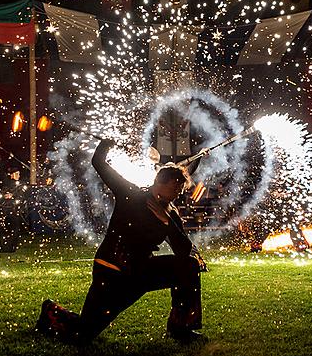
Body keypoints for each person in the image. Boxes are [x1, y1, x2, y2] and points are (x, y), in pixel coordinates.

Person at [36, 138, 206, 343]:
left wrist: (167, 221)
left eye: (179, 190)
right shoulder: (132, 194)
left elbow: (182, 250)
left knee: (188, 265)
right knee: (83, 334)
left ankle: (181, 328)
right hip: (112, 271)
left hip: (140, 271)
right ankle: (50, 312)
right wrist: (108, 144)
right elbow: (99, 163)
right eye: (173, 188)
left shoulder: (171, 213)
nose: (176, 193)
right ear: (157, 182)